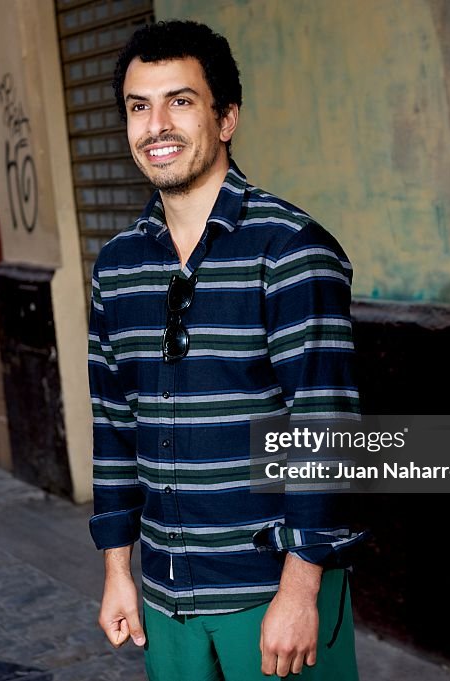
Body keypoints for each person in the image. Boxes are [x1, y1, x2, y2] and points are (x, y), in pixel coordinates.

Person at [87, 21, 366, 680]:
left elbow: (325, 433)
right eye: (138, 106)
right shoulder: (117, 267)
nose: (156, 124)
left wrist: (300, 594)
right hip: (168, 595)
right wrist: (118, 570)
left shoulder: (291, 250)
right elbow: (114, 429)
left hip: (270, 597)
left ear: (227, 117)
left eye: (180, 101)